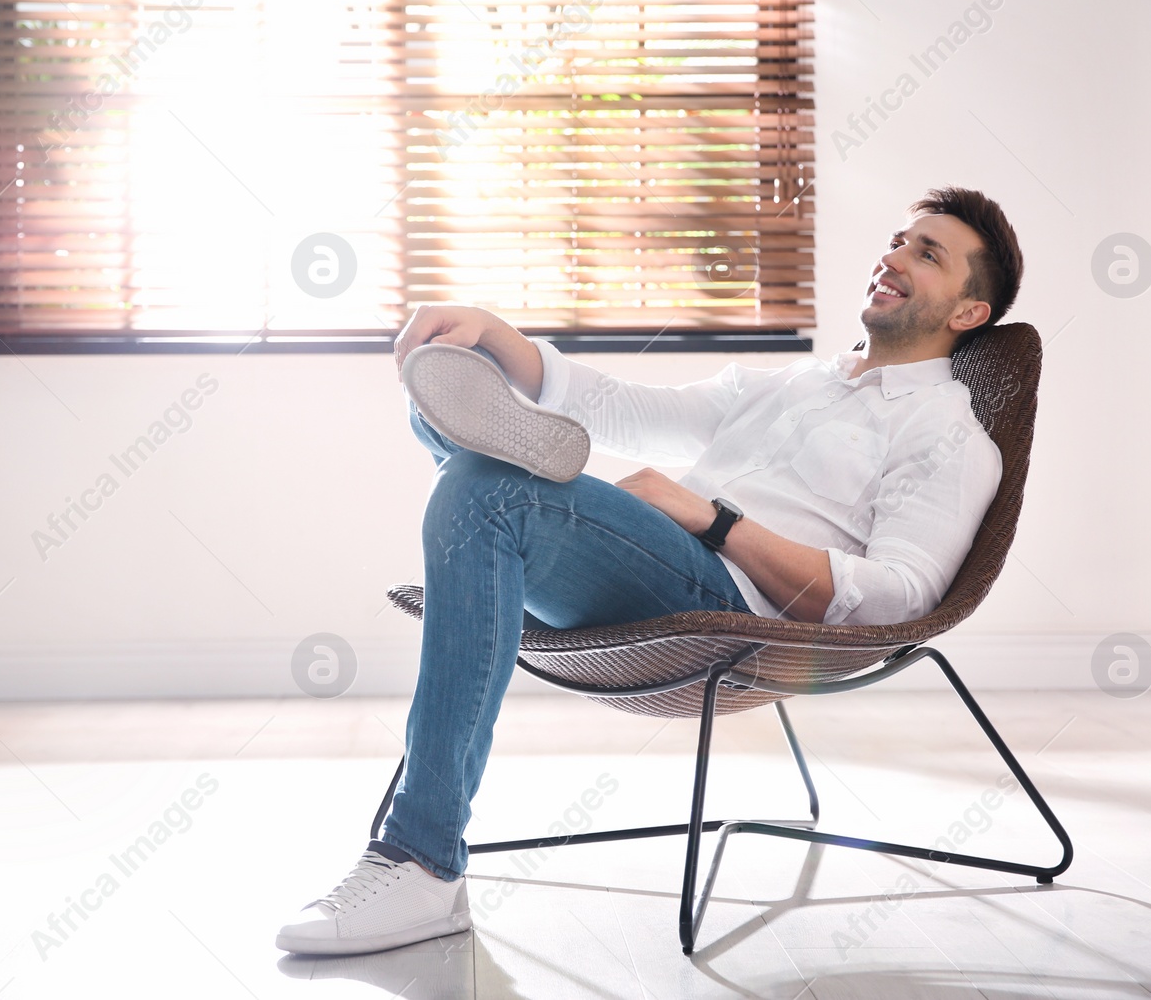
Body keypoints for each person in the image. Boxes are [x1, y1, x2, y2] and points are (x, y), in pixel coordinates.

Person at [276, 185, 1024, 956]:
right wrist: (502, 337)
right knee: (443, 427)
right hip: (646, 567)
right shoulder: (796, 381)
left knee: (478, 491)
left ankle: (422, 862)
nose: (893, 255)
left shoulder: (950, 434)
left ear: (969, 311)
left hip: (729, 605)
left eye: (926, 253)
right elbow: (635, 411)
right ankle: (481, 443)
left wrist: (717, 519)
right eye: (898, 238)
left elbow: (897, 598)